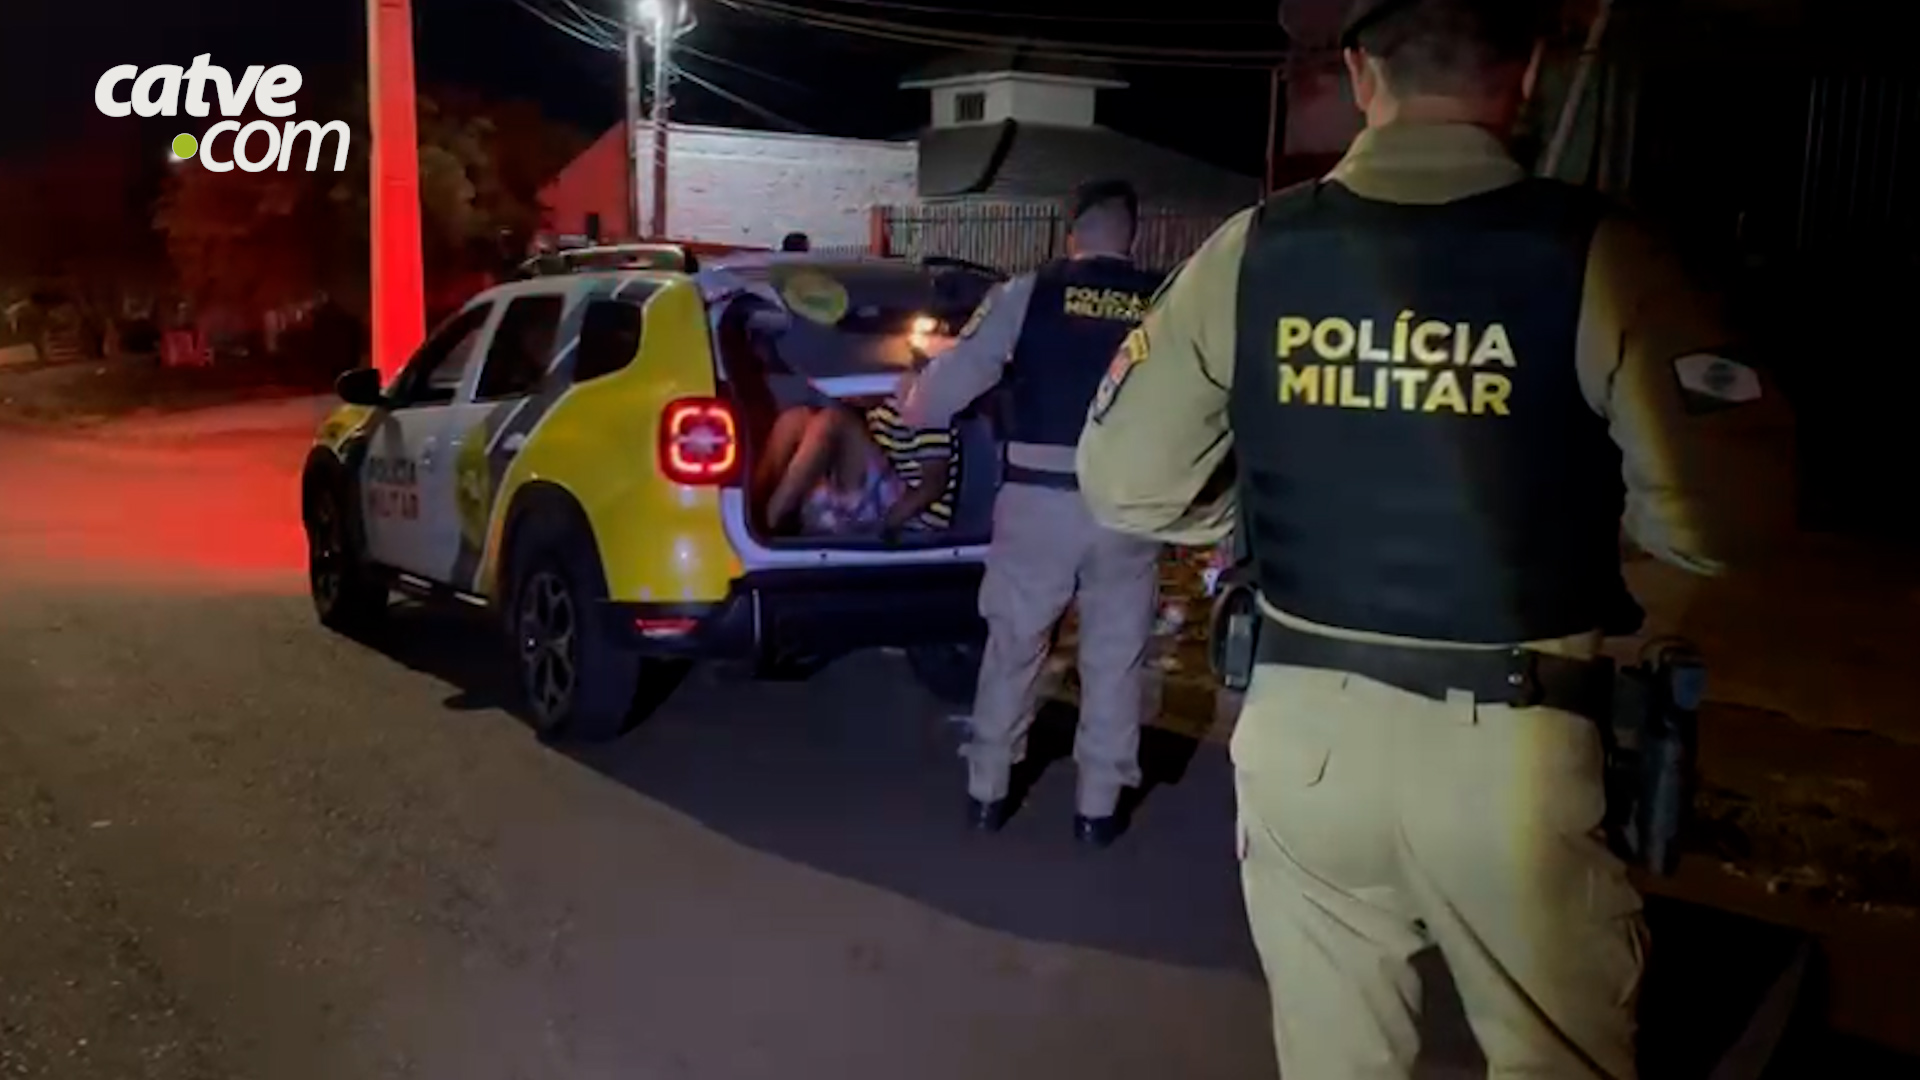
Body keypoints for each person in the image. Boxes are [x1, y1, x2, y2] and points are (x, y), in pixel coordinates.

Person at [1075, 0, 1791, 1075]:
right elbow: (1724, 522)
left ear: (1362, 73)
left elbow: (1124, 482)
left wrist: (1258, 507)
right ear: (1532, 72)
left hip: (1304, 739)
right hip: (1511, 750)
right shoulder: (1604, 255)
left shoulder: (1253, 251)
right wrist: (1601, 512)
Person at [900, 179, 1166, 847]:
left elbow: (947, 390)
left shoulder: (1029, 292)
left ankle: (988, 792)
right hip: (1129, 506)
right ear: (1132, 234)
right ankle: (1098, 809)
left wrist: (912, 399)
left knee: (1015, 646)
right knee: (1115, 657)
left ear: (1071, 229)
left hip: (1040, 498)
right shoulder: (1166, 301)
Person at [758, 391, 958, 538]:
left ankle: (770, 524)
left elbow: (933, 485)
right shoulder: (880, 406)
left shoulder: (924, 405)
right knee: (795, 419)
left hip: (910, 516)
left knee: (833, 420)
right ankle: (755, 514)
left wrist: (884, 527)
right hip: (879, 492)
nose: (848, 397)